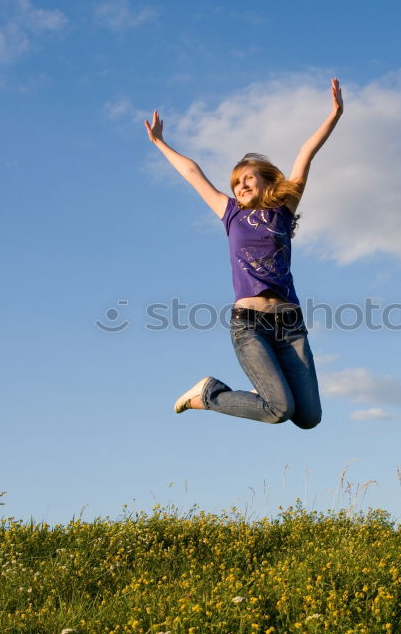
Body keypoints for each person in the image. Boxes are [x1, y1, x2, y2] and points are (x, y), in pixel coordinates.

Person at [144, 78, 343, 428]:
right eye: (237, 182)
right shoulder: (230, 212)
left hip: (291, 326)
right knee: (279, 409)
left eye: (249, 178)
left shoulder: (284, 208)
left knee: (309, 417)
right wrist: (161, 143)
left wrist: (335, 114)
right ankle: (209, 393)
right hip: (250, 325)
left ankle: (245, 394)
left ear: (267, 181)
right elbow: (193, 173)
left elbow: (305, 155)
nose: (241, 185)